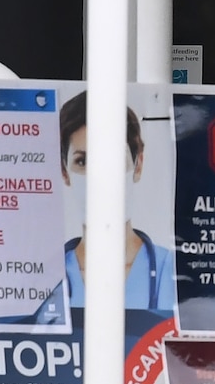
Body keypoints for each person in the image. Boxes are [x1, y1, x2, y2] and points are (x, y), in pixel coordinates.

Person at [58, 89, 176, 311]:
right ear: (64, 172)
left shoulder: (171, 272)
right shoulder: (47, 277)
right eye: (82, 162)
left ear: (138, 165)